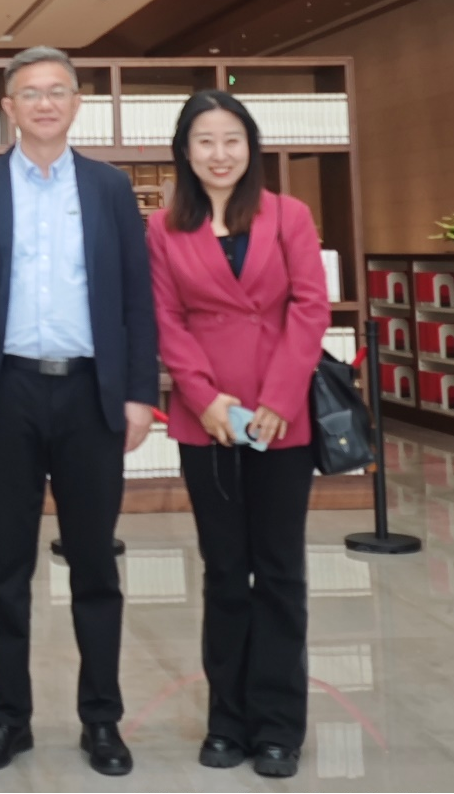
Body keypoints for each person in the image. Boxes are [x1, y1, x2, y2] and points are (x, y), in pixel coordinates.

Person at [0, 46, 159, 778]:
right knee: (6, 566)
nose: (44, 103)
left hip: (90, 394)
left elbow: (137, 295)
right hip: (5, 393)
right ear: (8, 107)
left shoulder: (109, 187)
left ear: (76, 104)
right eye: (30, 93)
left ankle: (101, 718)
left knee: (94, 563)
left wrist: (140, 391)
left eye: (57, 91)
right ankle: (9, 718)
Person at [146, 91, 329, 781]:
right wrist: (204, 398)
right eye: (204, 141)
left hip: (283, 417)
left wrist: (278, 397)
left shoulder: (289, 214)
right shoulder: (163, 227)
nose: (219, 154)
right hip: (209, 422)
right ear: (185, 152)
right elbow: (166, 319)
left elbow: (310, 306)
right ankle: (226, 720)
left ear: (251, 147)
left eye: (231, 139)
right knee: (224, 571)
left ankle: (278, 726)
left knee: (279, 571)